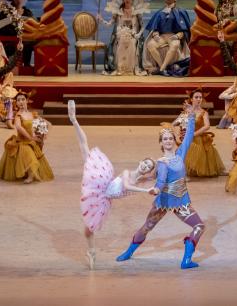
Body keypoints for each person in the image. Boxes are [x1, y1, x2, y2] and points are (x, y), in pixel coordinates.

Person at [68, 100, 156, 270]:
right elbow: (126, 186)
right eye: (145, 163)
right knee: (85, 150)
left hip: (105, 199)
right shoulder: (128, 173)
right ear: (140, 162)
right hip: (101, 183)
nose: (146, 166)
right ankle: (74, 119)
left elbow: (159, 177)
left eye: (149, 167)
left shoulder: (142, 180)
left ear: (148, 171)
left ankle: (91, 251)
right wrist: (147, 191)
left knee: (89, 229)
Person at [116, 110, 205, 270]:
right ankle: (128, 252)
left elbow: (188, 137)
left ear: (174, 141)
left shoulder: (180, 154)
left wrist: (191, 117)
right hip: (163, 202)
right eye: (165, 139)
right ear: (161, 143)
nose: (168, 141)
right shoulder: (162, 162)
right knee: (147, 227)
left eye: (171, 138)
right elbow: (161, 181)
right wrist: (156, 189)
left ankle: (186, 260)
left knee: (199, 226)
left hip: (181, 202)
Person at [0, 92, 55, 183]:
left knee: (32, 153)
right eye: (18, 100)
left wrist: (44, 136)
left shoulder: (32, 114)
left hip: (32, 141)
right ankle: (30, 175)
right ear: (16, 103)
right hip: (22, 141)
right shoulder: (18, 115)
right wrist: (31, 138)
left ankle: (31, 174)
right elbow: (19, 127)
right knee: (27, 153)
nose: (21, 102)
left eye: (23, 99)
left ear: (27, 101)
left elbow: (48, 124)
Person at [173, 89, 226, 177]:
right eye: (196, 97)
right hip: (187, 139)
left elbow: (207, 126)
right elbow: (174, 123)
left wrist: (193, 134)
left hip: (198, 138)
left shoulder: (204, 112)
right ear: (191, 99)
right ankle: (186, 170)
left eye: (200, 97)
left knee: (197, 149)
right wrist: (178, 134)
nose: (199, 99)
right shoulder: (186, 112)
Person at [99, 0, 148, 76]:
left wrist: (138, 34)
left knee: (132, 44)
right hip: (120, 34)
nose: (127, 0)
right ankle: (120, 68)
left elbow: (142, 26)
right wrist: (101, 20)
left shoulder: (136, 11)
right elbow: (109, 24)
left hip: (133, 35)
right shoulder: (118, 11)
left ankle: (130, 69)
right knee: (121, 43)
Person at [141, 0, 191, 76]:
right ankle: (162, 67)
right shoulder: (160, 12)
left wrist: (178, 36)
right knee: (150, 45)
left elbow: (183, 28)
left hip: (173, 36)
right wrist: (155, 34)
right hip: (162, 36)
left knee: (175, 45)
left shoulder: (180, 11)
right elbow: (155, 26)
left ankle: (163, 67)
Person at [0, 0, 34, 66]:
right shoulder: (5, 13)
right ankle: (7, 65)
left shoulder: (27, 12)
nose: (19, 1)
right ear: (13, 0)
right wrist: (16, 32)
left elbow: (31, 25)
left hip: (24, 38)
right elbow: (2, 29)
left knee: (29, 43)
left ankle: (26, 65)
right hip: (10, 39)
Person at [0, 39, 17, 128]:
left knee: (8, 96)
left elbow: (8, 73)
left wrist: (3, 85)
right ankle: (1, 116)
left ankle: (9, 119)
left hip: (4, 84)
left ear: (1, 49)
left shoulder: (5, 60)